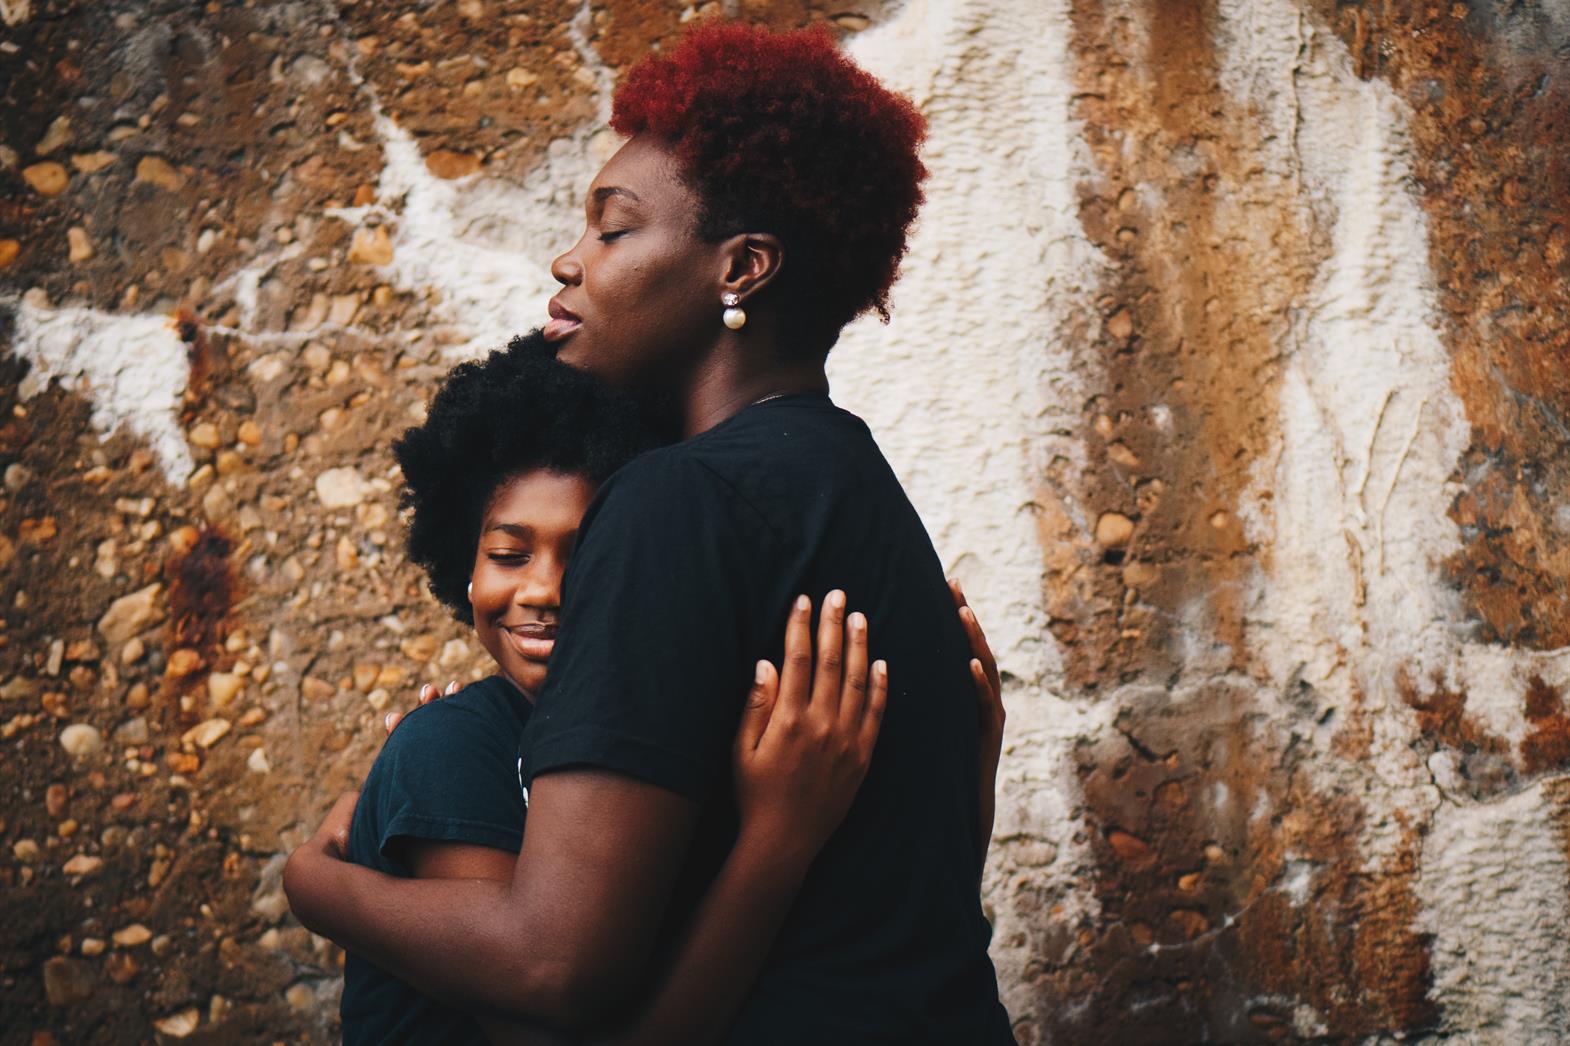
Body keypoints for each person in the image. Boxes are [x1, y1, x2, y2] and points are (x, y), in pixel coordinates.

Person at [285, 21, 1014, 1043]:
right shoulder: (857, 489)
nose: (569, 260)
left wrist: (313, 881)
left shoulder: (678, 498)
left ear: (741, 267)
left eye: (613, 230)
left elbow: (552, 963)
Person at [341, 337, 897, 1044]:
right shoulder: (453, 745)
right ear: (465, 569)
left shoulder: (652, 753)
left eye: (589, 556)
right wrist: (777, 840)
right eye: (509, 555)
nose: (542, 590)